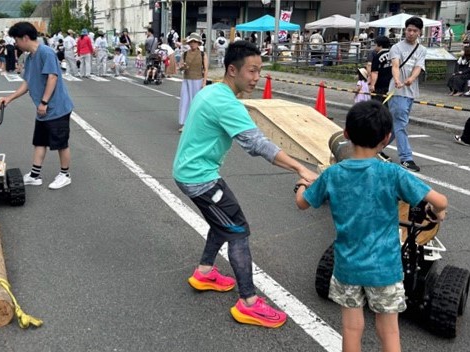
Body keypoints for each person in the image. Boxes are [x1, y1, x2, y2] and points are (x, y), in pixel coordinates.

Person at [173, 40, 318, 329]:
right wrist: (301, 168)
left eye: (259, 71)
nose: (256, 78)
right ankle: (249, 303)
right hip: (199, 178)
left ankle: (204, 272)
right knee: (238, 230)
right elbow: (257, 145)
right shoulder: (225, 101)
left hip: (190, 171)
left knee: (223, 222)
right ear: (231, 70)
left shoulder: (213, 90)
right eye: (251, 71)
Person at [295, 100, 448, 352]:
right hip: (385, 268)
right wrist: (438, 211)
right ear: (387, 138)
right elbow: (440, 200)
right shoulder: (392, 173)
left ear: (345, 135)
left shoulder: (332, 174)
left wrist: (302, 183)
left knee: (352, 328)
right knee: (388, 330)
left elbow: (302, 203)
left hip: (347, 266)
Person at [0, 22, 74, 190]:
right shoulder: (30, 57)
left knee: (61, 143)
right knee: (39, 142)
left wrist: (44, 102)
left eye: (16, 40)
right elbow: (27, 83)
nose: (15, 44)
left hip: (57, 107)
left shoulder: (45, 52)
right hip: (43, 109)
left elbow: (52, 77)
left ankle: (65, 174)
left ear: (25, 38)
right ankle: (34, 175)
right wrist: (9, 98)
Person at [387, 16, 427, 173]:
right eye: (409, 30)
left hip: (411, 93)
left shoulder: (421, 50)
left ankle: (373, 149)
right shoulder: (396, 47)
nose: (411, 33)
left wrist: (411, 78)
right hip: (398, 93)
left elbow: (418, 67)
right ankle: (406, 158)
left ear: (419, 32)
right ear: (405, 30)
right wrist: (397, 79)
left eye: (414, 31)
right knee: (401, 124)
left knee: (393, 125)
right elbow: (395, 65)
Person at [177, 33, 208, 132]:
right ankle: (185, 123)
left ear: (198, 43)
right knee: (185, 101)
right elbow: (180, 67)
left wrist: (204, 82)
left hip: (197, 80)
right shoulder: (185, 53)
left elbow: (206, 69)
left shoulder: (203, 54)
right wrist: (183, 67)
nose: (192, 44)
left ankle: (197, 123)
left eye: (195, 42)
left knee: (196, 102)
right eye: (191, 42)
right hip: (187, 79)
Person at [369, 36, 392, 103]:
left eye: (375, 44)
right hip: (391, 84)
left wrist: (372, 85)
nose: (374, 47)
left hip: (380, 85)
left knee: (377, 105)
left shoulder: (377, 56)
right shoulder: (393, 54)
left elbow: (375, 72)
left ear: (380, 45)